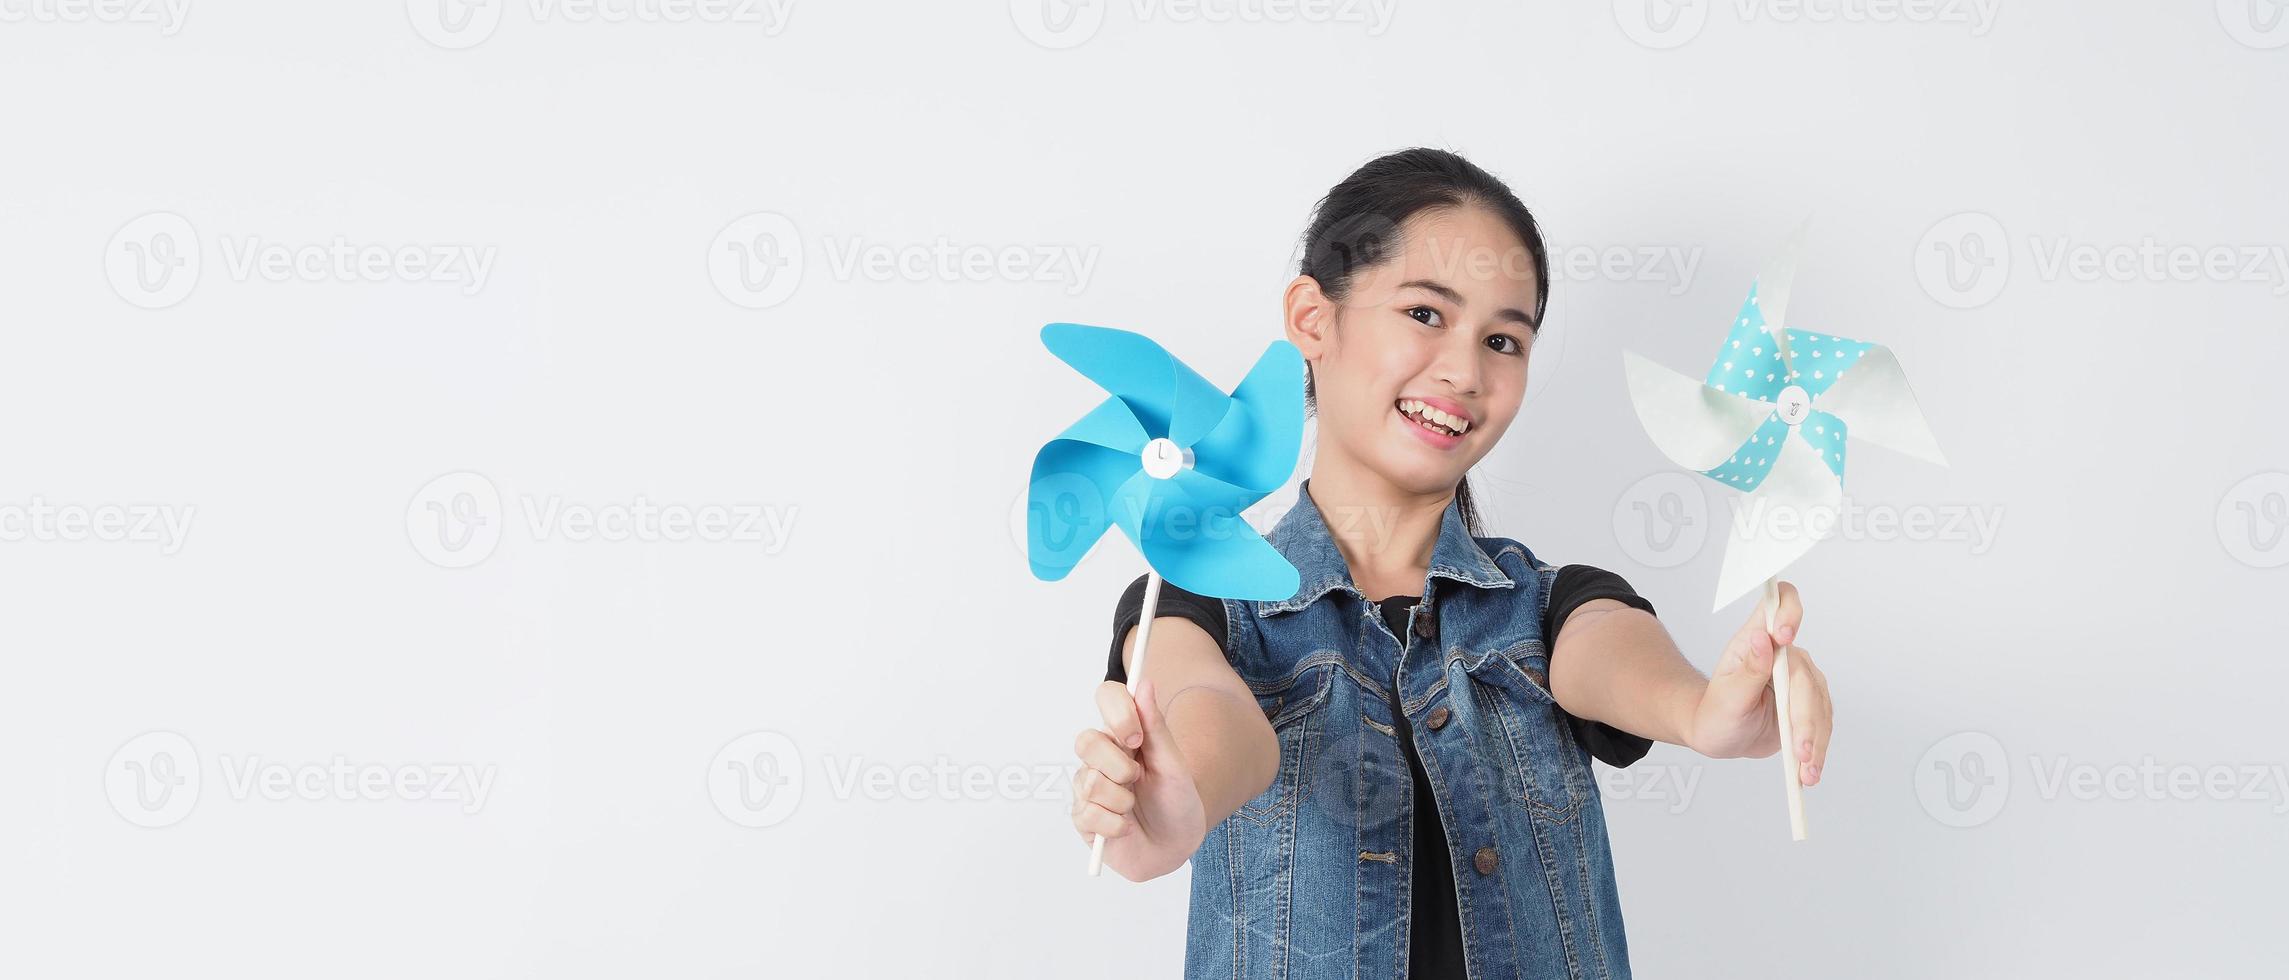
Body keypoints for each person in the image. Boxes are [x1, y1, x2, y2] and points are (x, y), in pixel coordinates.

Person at [1064, 147, 1835, 980]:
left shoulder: (1546, 605)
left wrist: (1706, 711)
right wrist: (1179, 802)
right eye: (1425, 315)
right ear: (1312, 318)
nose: (1465, 372)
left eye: (1503, 339)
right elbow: (1212, 718)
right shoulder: (1200, 597)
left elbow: (1608, 659)